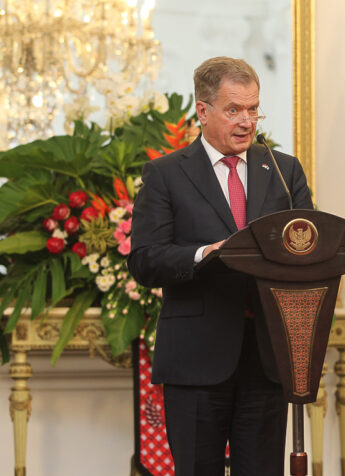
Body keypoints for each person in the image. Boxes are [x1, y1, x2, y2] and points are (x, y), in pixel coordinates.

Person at [129, 56, 313, 475]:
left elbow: (310, 244)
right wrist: (206, 253)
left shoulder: (283, 171)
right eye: (233, 110)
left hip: (267, 358)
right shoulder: (166, 174)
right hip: (196, 358)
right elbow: (144, 260)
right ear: (203, 111)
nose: (246, 121)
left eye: (253, 109)